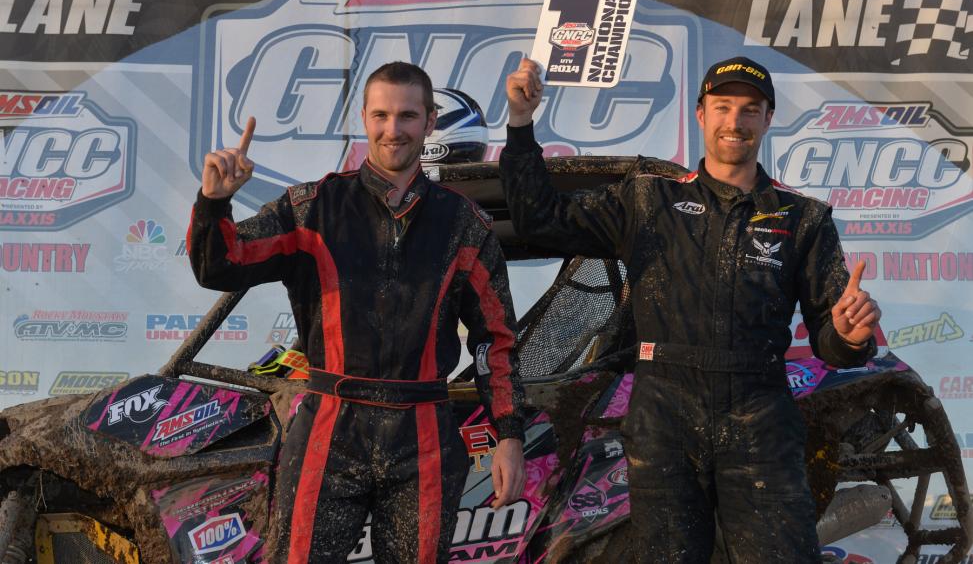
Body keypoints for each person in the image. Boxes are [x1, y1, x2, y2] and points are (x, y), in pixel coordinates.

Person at [500, 56, 880, 563]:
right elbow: (538, 220)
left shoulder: (803, 217)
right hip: (664, 416)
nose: (735, 121)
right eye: (723, 107)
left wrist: (850, 337)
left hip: (760, 416)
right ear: (700, 114)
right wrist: (521, 126)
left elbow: (835, 342)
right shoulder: (647, 199)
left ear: (768, 120)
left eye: (750, 110)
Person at [188, 61, 526, 563]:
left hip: (424, 436)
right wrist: (214, 204)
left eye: (408, 116)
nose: (394, 130)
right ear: (364, 119)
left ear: (430, 121)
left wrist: (510, 435)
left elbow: (494, 340)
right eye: (382, 116)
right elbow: (223, 264)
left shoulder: (464, 224)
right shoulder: (312, 208)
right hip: (329, 426)